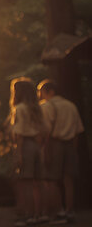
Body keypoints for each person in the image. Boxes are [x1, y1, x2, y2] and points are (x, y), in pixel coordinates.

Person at [38, 79, 85, 224]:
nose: (41, 96)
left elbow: (45, 130)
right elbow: (78, 130)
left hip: (54, 143)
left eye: (43, 92)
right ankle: (69, 211)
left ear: (50, 92)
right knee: (68, 180)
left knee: (51, 180)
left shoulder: (47, 106)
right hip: (70, 144)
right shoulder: (71, 105)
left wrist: (44, 148)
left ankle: (59, 211)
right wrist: (74, 150)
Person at [8, 78, 46, 226]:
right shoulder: (37, 108)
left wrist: (19, 153)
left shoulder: (20, 108)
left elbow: (19, 133)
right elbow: (44, 129)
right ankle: (40, 214)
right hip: (37, 145)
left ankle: (28, 215)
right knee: (39, 182)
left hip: (25, 144)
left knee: (26, 182)